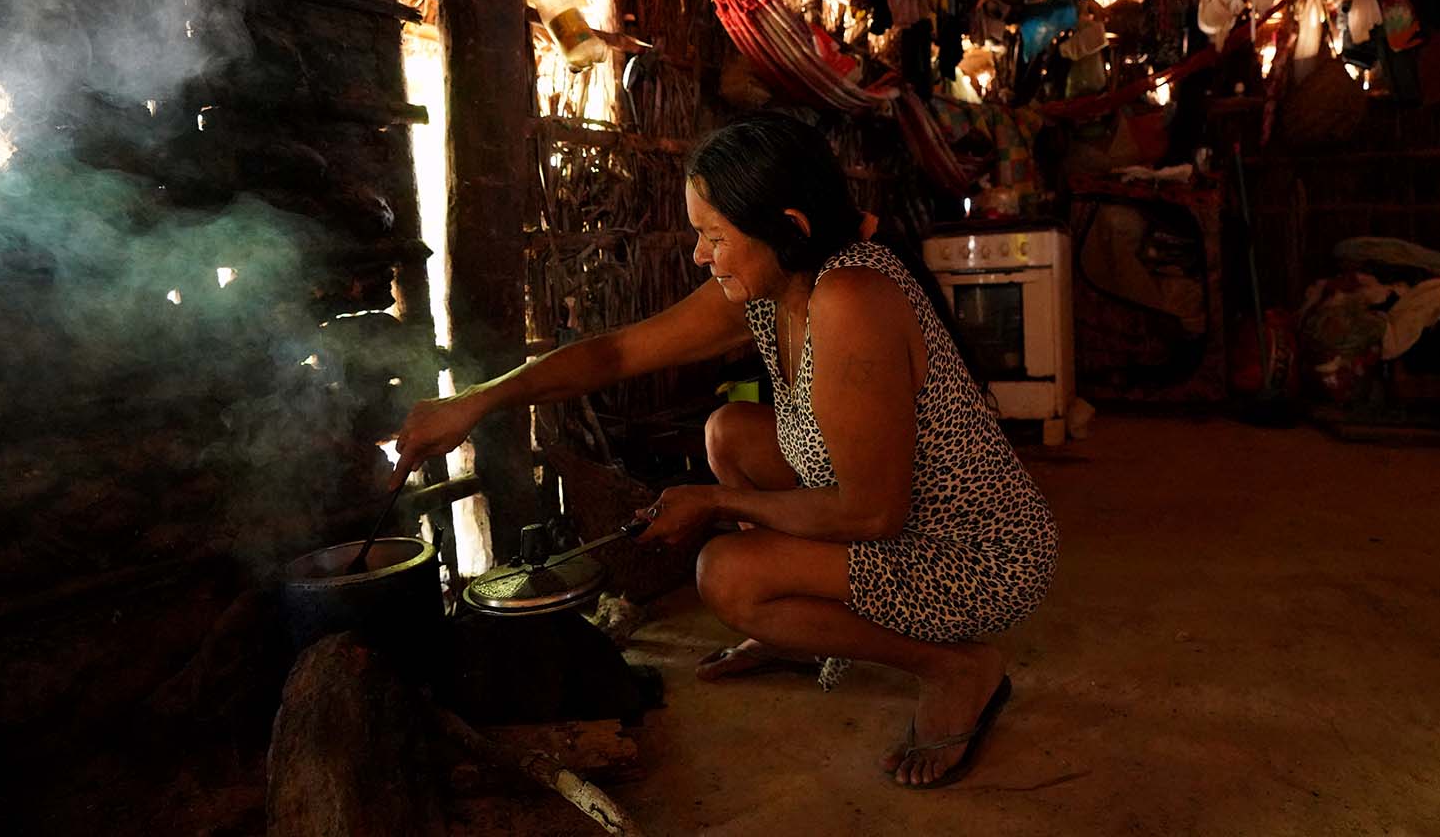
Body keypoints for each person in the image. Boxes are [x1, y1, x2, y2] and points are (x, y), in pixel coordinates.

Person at [393, 113, 1059, 788]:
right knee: (729, 430)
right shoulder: (778, 281)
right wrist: (476, 400)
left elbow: (871, 516)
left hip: (972, 553)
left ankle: (954, 667)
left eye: (714, 236)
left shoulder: (853, 298)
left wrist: (714, 501)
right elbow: (619, 351)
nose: (699, 256)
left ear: (790, 227)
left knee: (727, 574)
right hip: (894, 512)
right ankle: (796, 628)